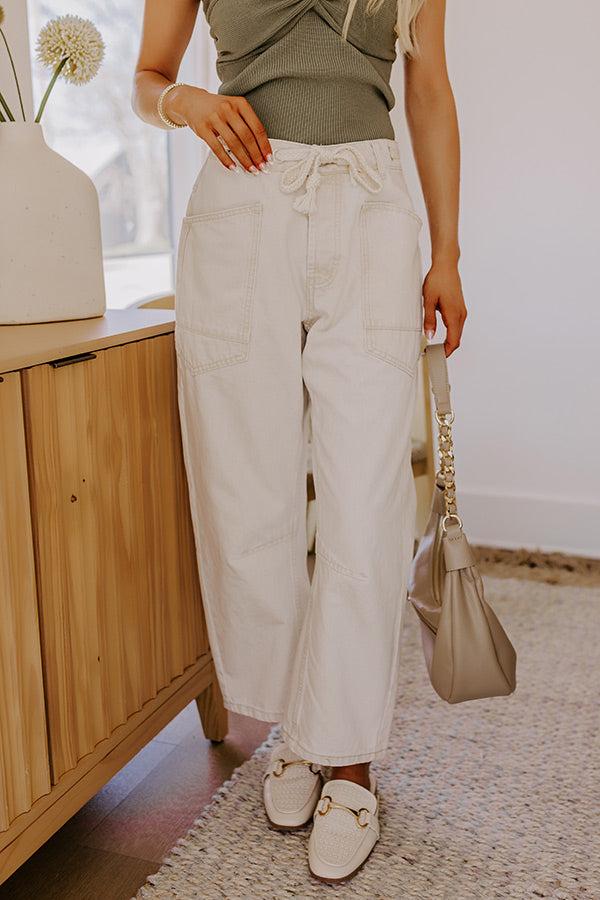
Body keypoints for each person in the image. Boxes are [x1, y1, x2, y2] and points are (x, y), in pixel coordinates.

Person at [132, 0, 466, 883]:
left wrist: (447, 254)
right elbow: (147, 80)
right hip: (243, 202)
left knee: (366, 502)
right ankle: (298, 731)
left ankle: (349, 761)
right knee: (248, 491)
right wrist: (187, 104)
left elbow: (428, 87)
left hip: (370, 205)